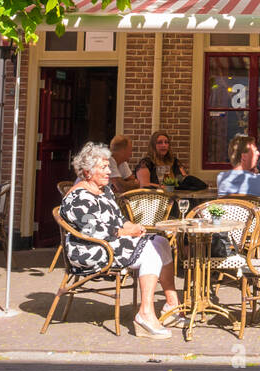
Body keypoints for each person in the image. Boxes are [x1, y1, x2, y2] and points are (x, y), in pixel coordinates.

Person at [60, 142, 182, 338]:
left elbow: (118, 219)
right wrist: (126, 233)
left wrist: (132, 227)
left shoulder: (104, 191)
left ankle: (171, 307)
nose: (109, 171)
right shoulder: (78, 196)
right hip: (90, 249)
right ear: (87, 171)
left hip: (111, 242)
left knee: (160, 242)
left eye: (108, 166)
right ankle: (145, 314)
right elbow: (93, 231)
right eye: (103, 167)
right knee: (150, 251)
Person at [218, 133, 260, 240]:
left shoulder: (222, 179)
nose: (259, 153)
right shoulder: (259, 180)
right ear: (244, 156)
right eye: (254, 150)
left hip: (233, 233)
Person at [135, 131, 205, 190]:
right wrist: (163, 187)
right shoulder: (146, 163)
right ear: (153, 145)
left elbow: (182, 178)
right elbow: (144, 185)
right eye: (160, 143)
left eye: (166, 142)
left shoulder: (173, 161)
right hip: (154, 198)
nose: (164, 145)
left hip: (175, 196)